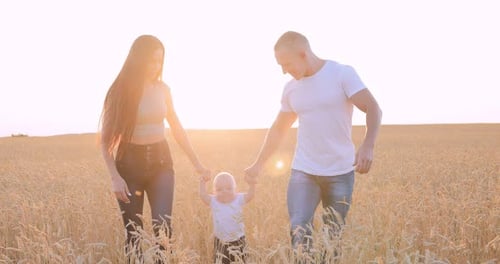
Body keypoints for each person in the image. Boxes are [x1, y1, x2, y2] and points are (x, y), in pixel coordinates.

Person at [244, 31, 382, 259]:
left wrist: (368, 145)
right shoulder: (291, 88)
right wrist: (258, 164)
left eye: (286, 64)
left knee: (332, 238)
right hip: (304, 172)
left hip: (340, 172)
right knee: (299, 230)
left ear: (303, 54)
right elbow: (279, 129)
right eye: (280, 65)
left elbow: (373, 108)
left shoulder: (341, 74)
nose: (283, 71)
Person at [99, 34, 210, 262]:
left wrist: (197, 164)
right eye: (151, 61)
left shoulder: (163, 89)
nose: (155, 66)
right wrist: (115, 177)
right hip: (128, 167)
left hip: (161, 164)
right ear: (137, 60)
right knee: (133, 232)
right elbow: (105, 140)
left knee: (163, 229)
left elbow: (177, 128)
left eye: (159, 61)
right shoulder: (119, 91)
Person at [199, 171, 256, 264]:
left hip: (239, 240)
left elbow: (250, 195)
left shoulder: (238, 199)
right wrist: (202, 182)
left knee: (242, 261)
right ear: (214, 191)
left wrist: (252, 184)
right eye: (219, 189)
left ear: (235, 189)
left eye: (229, 188)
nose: (224, 191)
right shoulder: (214, 201)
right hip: (220, 242)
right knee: (220, 261)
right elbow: (203, 195)